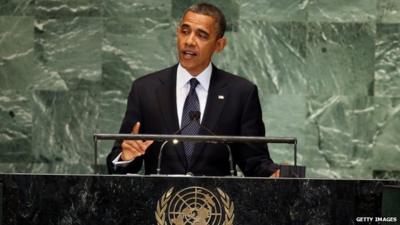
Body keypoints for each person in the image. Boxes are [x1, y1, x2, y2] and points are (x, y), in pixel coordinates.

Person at [106, 3, 279, 177]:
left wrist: (277, 175)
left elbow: (255, 161)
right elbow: (119, 160)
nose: (189, 41)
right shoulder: (145, 89)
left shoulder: (241, 93)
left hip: (216, 202)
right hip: (160, 202)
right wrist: (126, 156)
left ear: (219, 44)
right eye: (185, 31)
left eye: (201, 35)